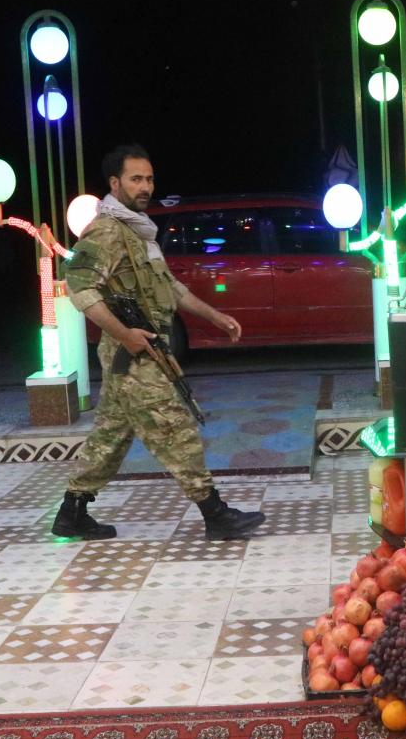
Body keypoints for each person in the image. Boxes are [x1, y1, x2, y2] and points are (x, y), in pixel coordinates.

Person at [53, 143, 266, 541]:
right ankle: (214, 513)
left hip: (139, 349)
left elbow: (172, 289)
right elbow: (80, 288)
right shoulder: (107, 230)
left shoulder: (138, 231)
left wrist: (216, 317)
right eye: (136, 179)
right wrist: (124, 334)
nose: (145, 186)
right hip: (133, 353)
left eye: (149, 178)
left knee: (111, 436)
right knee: (174, 425)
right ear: (114, 183)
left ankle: (72, 512)